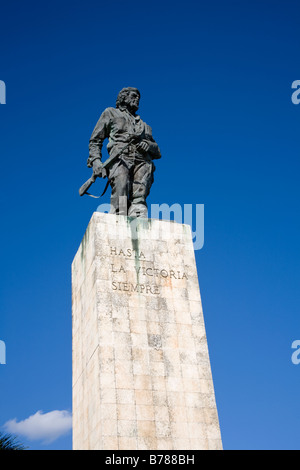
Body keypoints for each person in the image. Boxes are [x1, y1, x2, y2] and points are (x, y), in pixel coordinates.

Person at [87, 87, 161, 217]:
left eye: (138, 97)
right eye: (134, 96)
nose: (137, 99)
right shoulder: (110, 113)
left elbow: (157, 151)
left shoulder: (144, 125)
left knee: (140, 193)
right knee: (121, 187)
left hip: (141, 160)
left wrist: (148, 145)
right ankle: (118, 214)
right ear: (123, 97)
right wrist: (96, 161)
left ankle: (137, 214)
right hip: (120, 158)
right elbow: (95, 140)